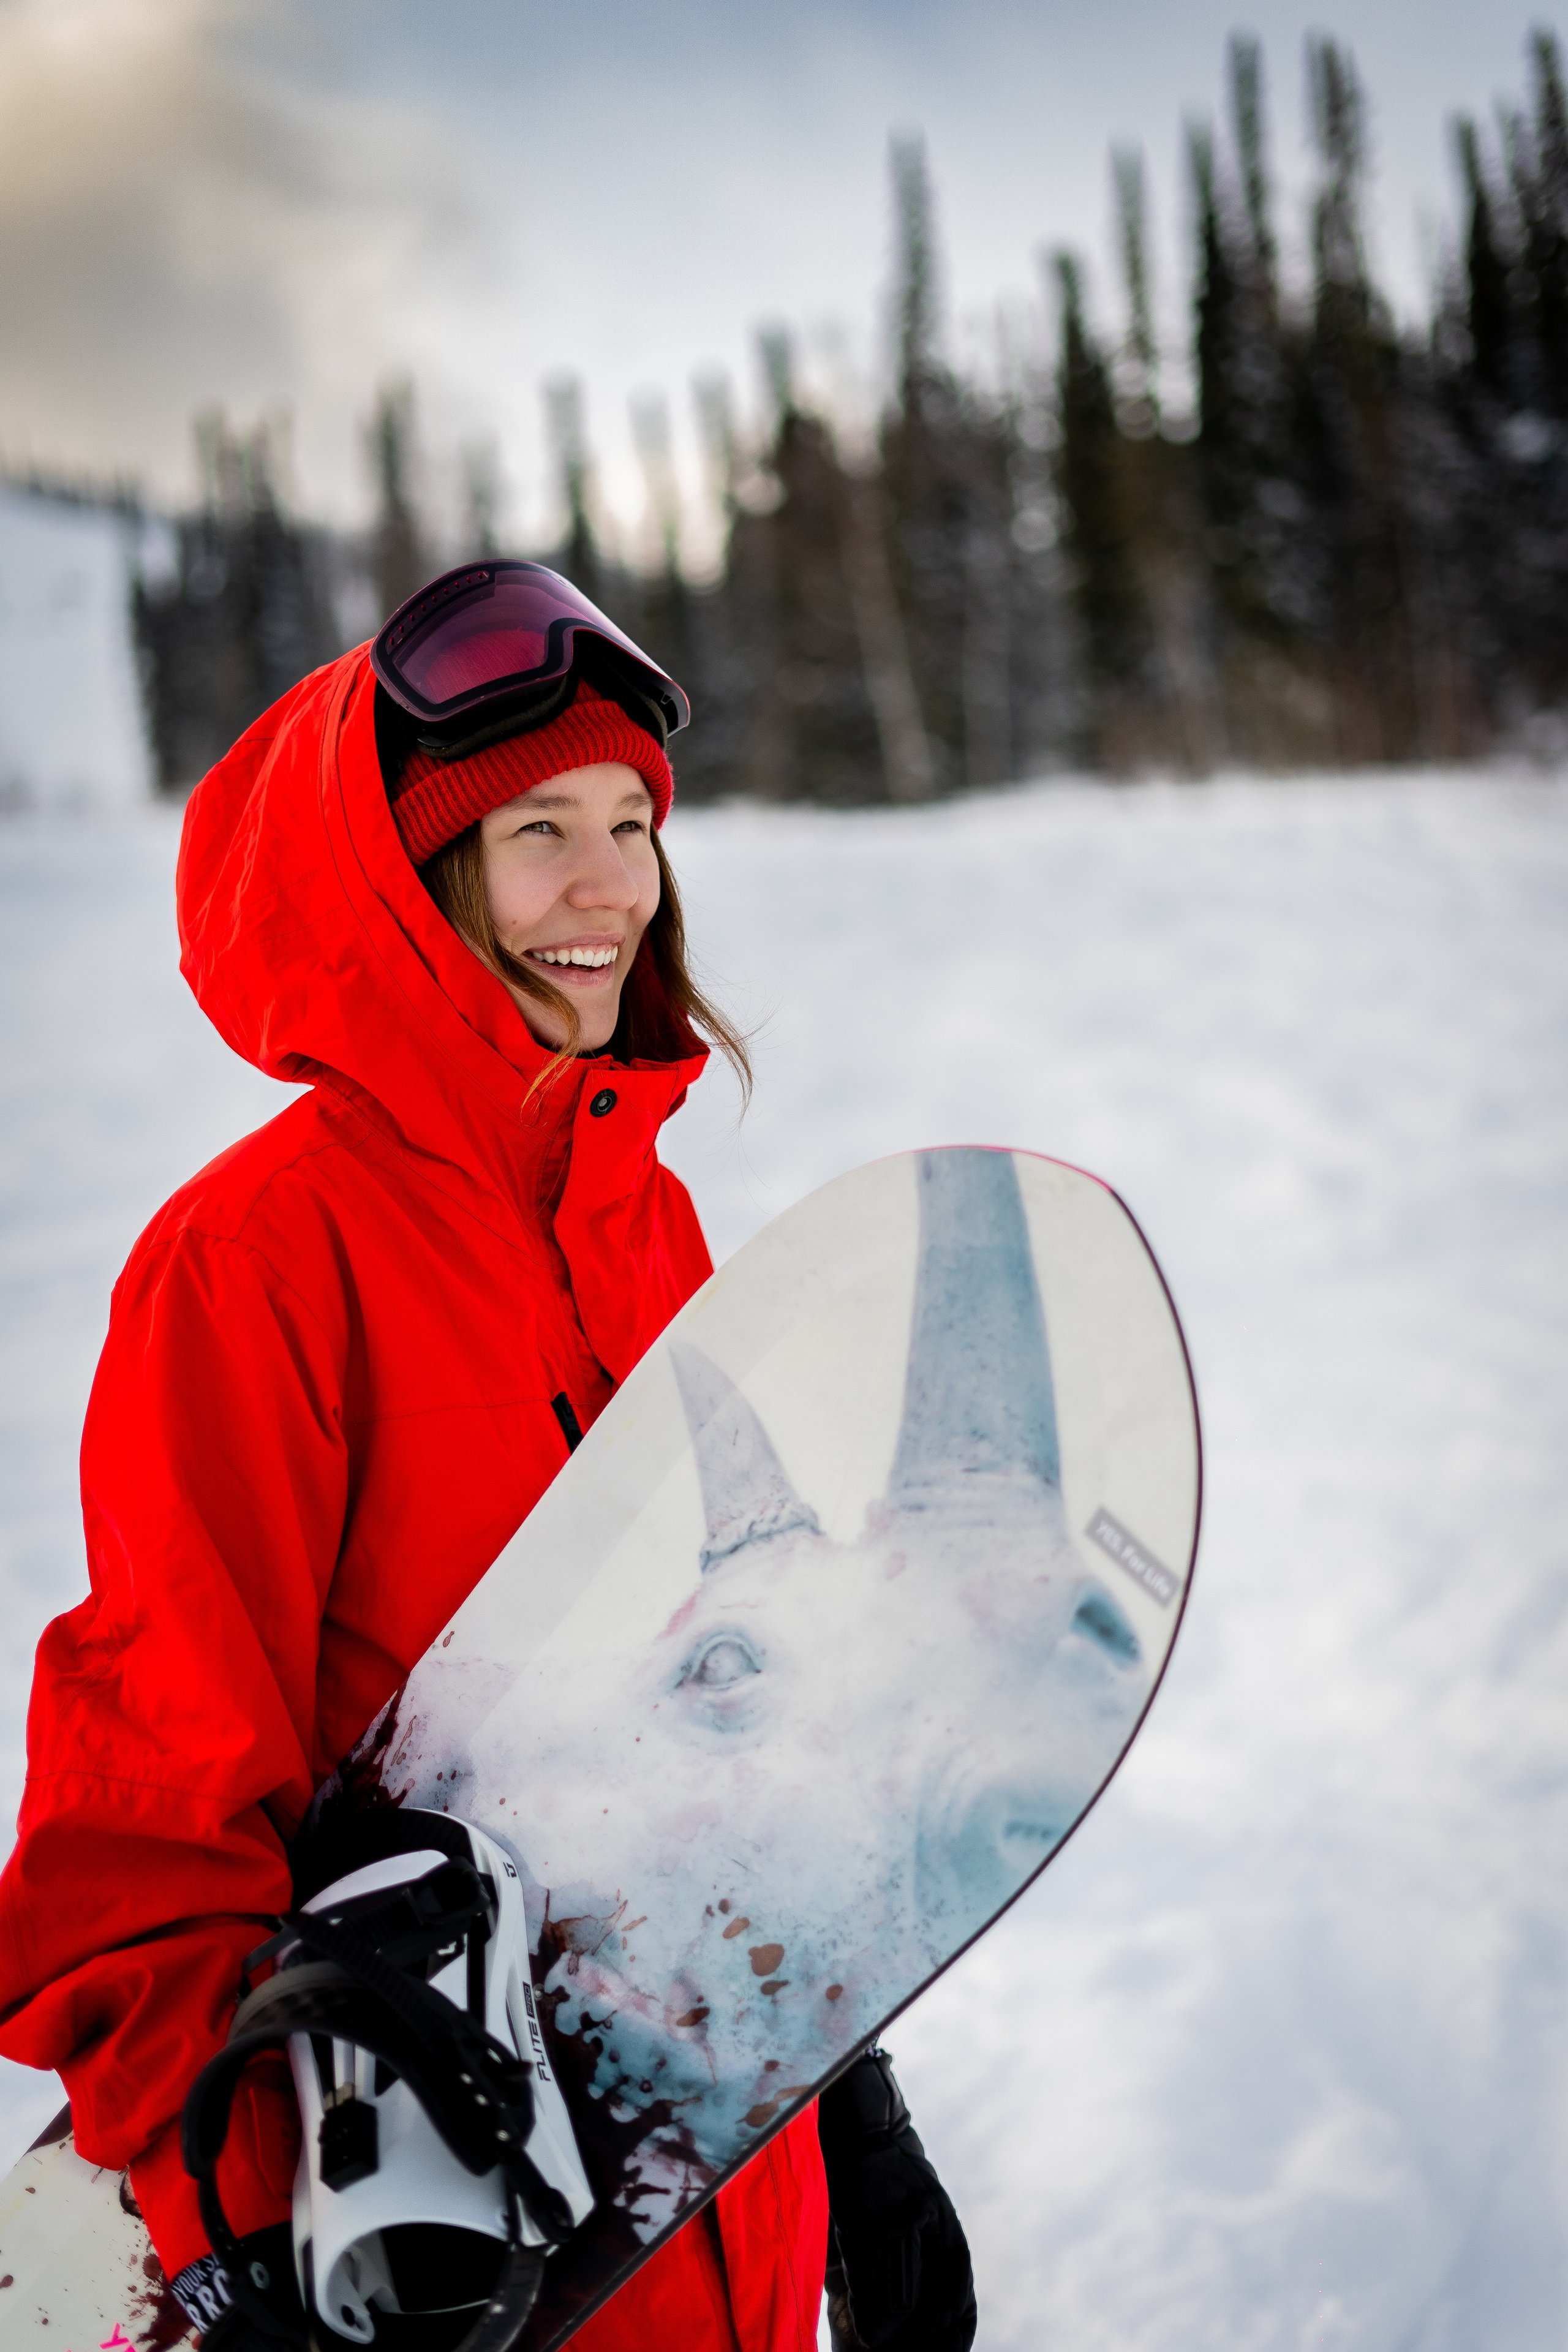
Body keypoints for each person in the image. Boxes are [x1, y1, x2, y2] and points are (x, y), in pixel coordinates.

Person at [0, 562, 974, 2352]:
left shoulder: (644, 1224)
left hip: (712, 2174)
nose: (610, 883)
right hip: (447, 2231)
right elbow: (153, 1820)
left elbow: (727, 1713)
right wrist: (230, 2245)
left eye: (631, 822)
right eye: (538, 830)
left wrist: (847, 2102)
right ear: (404, 884)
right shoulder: (259, 1262)